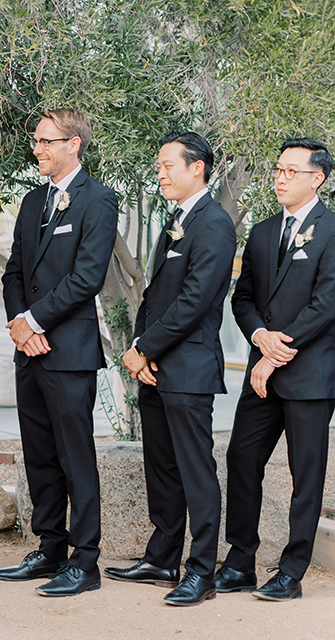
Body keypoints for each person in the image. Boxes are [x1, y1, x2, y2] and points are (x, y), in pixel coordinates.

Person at [105, 132, 235, 606]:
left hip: (187, 367)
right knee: (161, 467)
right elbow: (156, 297)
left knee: (195, 470)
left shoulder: (214, 223)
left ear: (197, 167)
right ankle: (162, 558)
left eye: (167, 165)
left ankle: (201, 572)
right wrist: (143, 348)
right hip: (156, 365)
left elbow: (197, 300)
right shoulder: (178, 219)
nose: (160, 172)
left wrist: (143, 347)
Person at [0, 108, 118, 597]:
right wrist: (19, 326)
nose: (38, 149)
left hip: (68, 351)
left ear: (75, 144)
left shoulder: (100, 201)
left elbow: (86, 278)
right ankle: (50, 547)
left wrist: (35, 320)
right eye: (36, 141)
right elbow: (13, 272)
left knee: (75, 456)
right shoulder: (32, 201)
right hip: (30, 350)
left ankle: (84, 561)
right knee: (38, 455)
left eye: (47, 141)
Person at [219, 138, 335, 602]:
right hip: (261, 372)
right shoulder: (264, 232)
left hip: (309, 375)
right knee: (241, 459)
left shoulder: (332, 231)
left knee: (306, 476)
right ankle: (240, 561)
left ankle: (291, 572)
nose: (280, 178)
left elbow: (326, 304)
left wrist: (273, 352)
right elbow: (242, 297)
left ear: (317, 178)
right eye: (278, 170)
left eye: (291, 171)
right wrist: (258, 337)